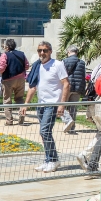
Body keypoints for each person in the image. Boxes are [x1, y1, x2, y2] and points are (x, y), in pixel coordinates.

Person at [24, 42, 70, 173]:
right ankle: (48, 159)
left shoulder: (57, 64)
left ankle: (53, 160)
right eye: (40, 50)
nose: (42, 53)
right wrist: (26, 104)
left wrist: (62, 104)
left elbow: (66, 84)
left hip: (52, 104)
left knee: (44, 131)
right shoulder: (37, 66)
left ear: (50, 51)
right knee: (44, 133)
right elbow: (33, 86)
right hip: (41, 104)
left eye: (45, 50)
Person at [0, 39, 28, 126]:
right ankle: (21, 119)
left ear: (7, 47)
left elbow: (1, 67)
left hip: (8, 80)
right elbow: (27, 66)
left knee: (7, 100)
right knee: (20, 99)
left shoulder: (5, 55)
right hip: (21, 79)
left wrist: (1, 73)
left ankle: (9, 120)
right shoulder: (22, 54)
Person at [62, 46, 87, 133]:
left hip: (67, 87)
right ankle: (72, 128)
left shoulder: (64, 61)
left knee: (61, 105)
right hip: (78, 88)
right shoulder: (82, 63)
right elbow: (83, 76)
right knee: (73, 108)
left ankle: (68, 120)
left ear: (68, 52)